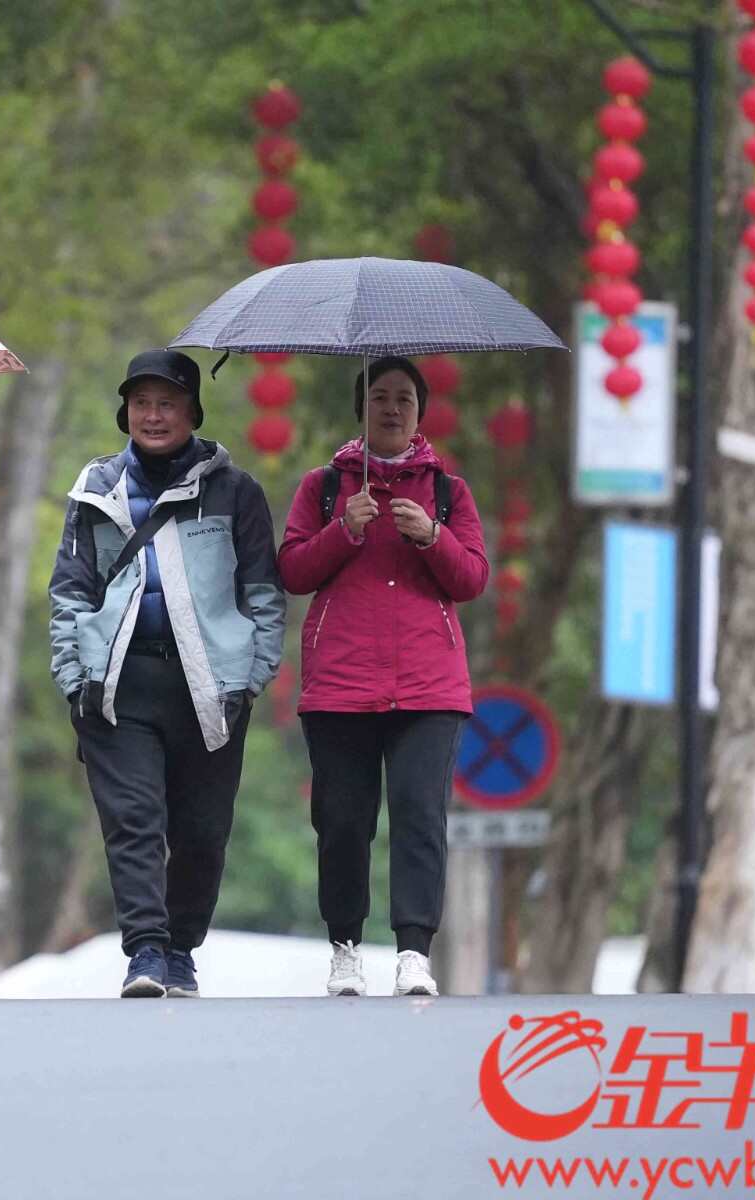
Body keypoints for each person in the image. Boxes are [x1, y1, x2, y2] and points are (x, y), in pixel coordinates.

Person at [48, 349, 286, 998]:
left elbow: (264, 594)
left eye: (167, 404)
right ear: (125, 411)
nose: (153, 416)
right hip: (119, 686)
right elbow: (70, 592)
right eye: (141, 404)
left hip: (210, 689)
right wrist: (75, 678)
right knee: (133, 821)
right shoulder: (95, 489)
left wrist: (251, 677)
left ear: (192, 413)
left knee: (202, 834)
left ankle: (182, 949)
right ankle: (146, 953)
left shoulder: (235, 493)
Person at [277, 355, 488, 998]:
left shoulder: (449, 491)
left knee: (421, 815)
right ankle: (344, 947)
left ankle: (413, 953)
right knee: (342, 819)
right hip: (340, 683)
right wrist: (344, 531)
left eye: (404, 399)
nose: (392, 409)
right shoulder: (324, 487)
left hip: (429, 685)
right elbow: (292, 570)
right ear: (361, 409)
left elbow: (473, 578)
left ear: (421, 413)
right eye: (379, 397)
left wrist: (432, 537)